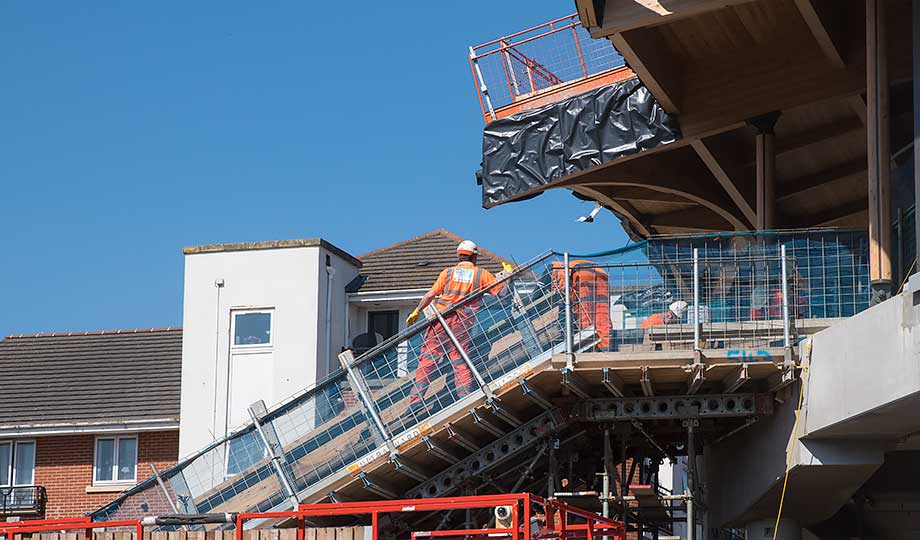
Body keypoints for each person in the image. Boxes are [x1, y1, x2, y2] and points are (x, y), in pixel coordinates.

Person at [405, 240, 512, 406]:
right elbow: (502, 294)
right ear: (475, 256)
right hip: (463, 321)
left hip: (441, 319)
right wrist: (508, 277)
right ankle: (464, 395)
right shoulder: (481, 274)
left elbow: (430, 295)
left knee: (428, 358)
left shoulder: (447, 272)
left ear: (458, 255)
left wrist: (417, 311)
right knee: (460, 358)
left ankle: (416, 400)